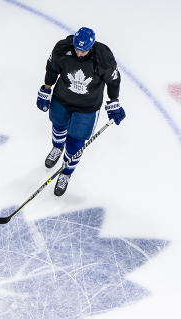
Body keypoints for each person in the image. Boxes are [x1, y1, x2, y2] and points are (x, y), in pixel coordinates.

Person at [36, 26, 125, 196]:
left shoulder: (103, 57)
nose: (79, 53)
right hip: (62, 98)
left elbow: (113, 82)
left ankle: (66, 172)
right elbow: (52, 69)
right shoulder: (62, 48)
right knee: (58, 125)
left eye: (83, 50)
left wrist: (114, 102)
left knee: (75, 142)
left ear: (91, 46)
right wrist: (46, 90)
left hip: (87, 107)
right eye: (77, 48)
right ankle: (57, 147)